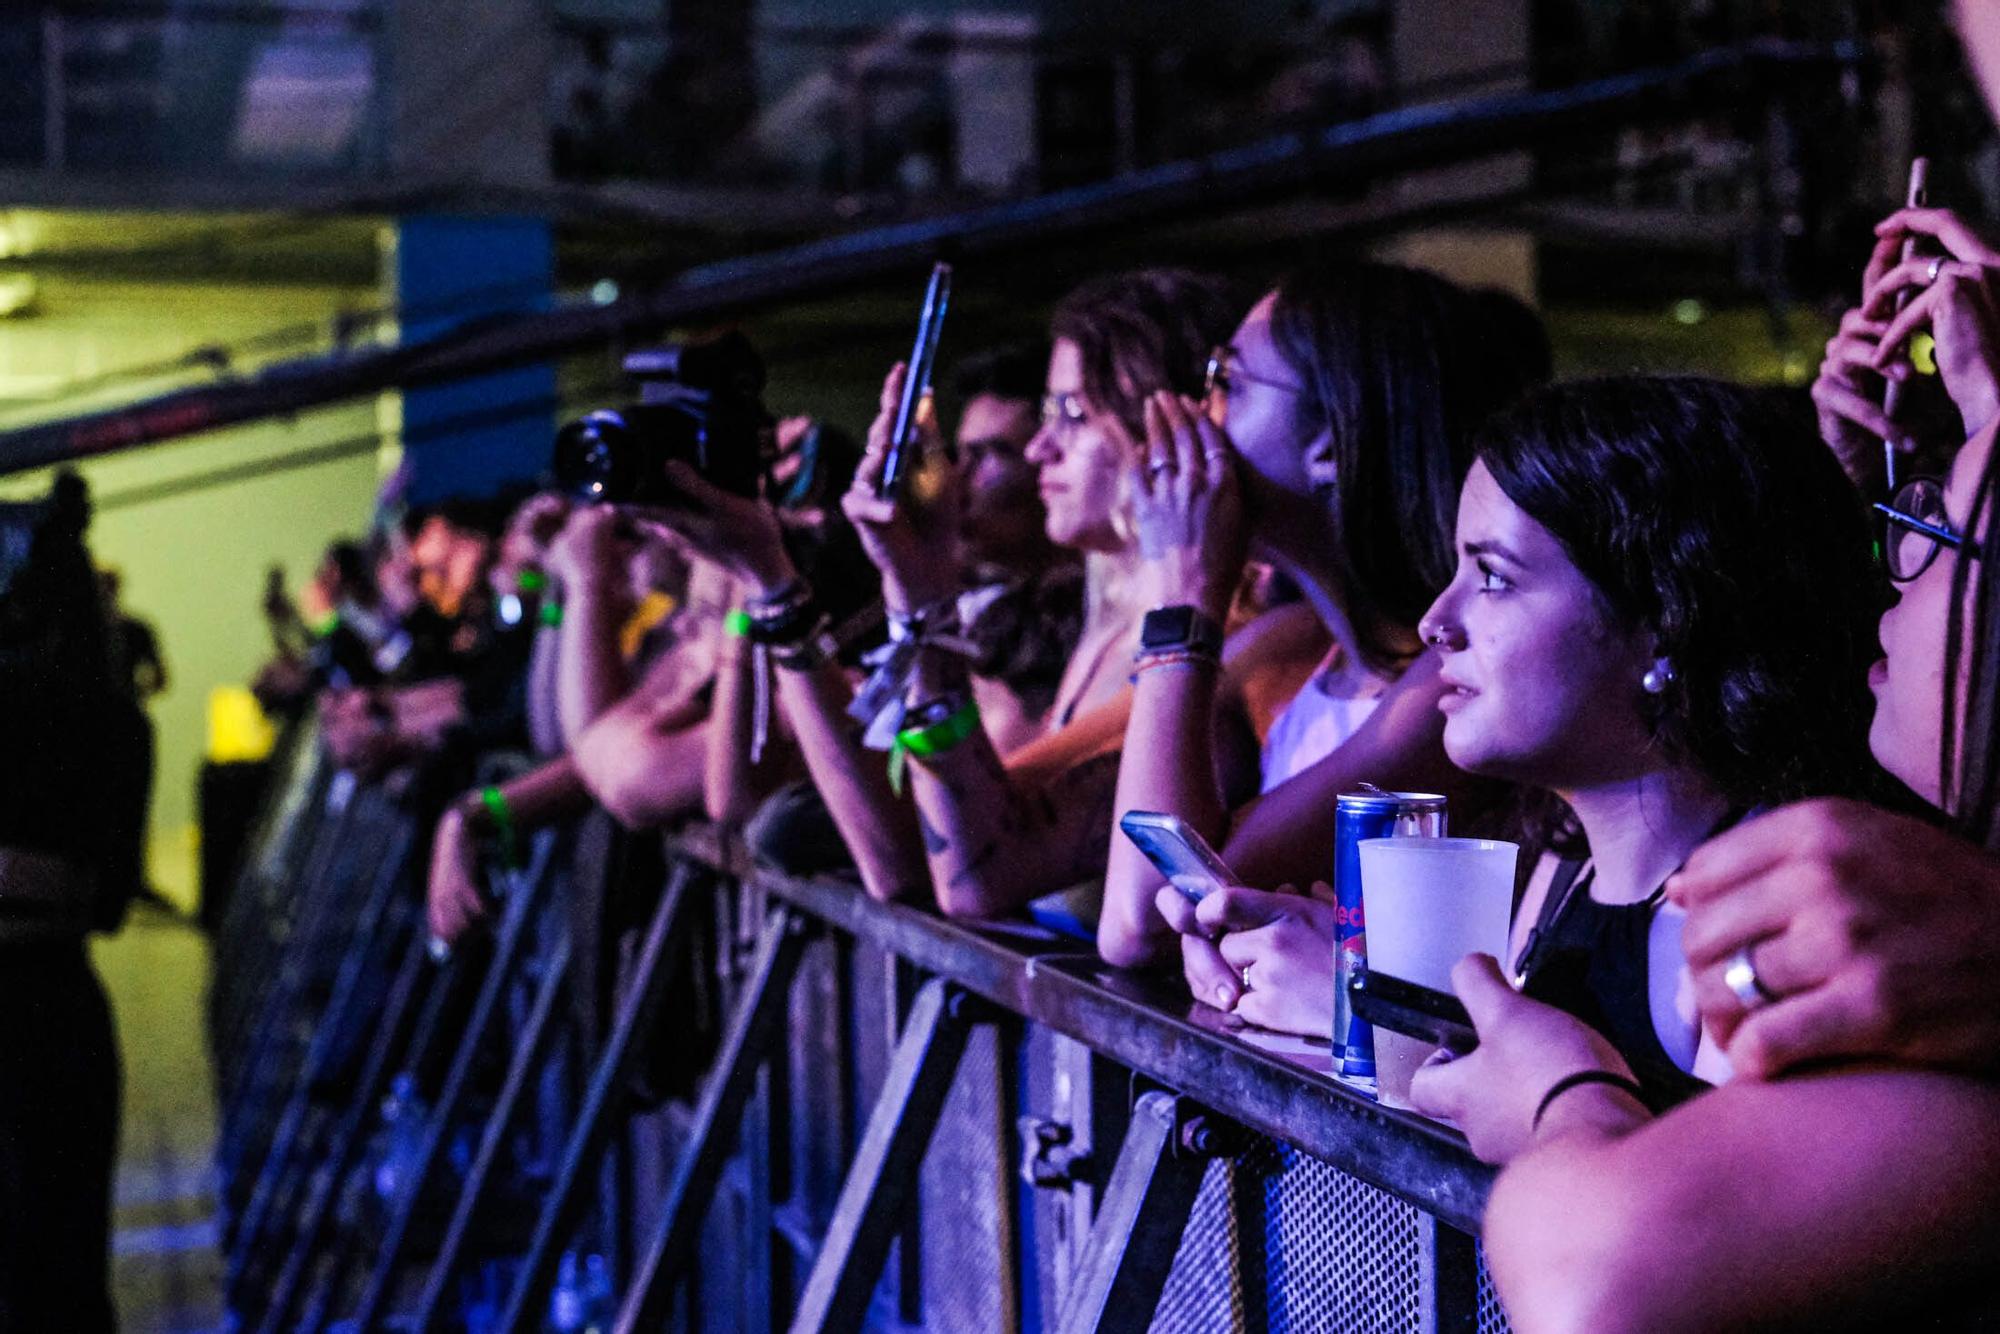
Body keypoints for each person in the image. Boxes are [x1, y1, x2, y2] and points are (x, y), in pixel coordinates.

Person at [1466, 417, 2000, 1333]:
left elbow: (1595, 1279)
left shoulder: (1905, 953)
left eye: (1943, 530)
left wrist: (1566, 1096)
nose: (1886, 585)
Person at [1111, 263, 1548, 983]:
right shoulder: (1285, 648)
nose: (1202, 412)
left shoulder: (1446, 686)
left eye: (1231, 381)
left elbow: (1142, 919)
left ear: (1332, 440)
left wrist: (1186, 589)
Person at [0, 474, 126, 1331]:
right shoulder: (118, 720)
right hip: (61, 1004)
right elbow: (106, 902)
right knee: (63, 1274)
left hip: (33, 1013)